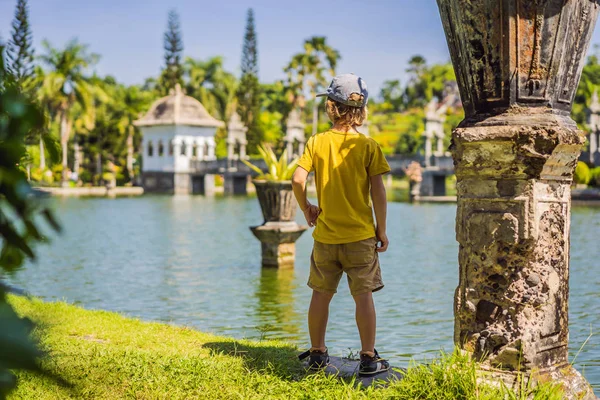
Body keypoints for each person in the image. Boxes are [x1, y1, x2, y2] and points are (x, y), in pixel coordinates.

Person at [292, 74, 391, 376]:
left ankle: (319, 354)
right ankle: (367, 358)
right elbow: (378, 191)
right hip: (361, 237)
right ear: (360, 110)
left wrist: (307, 208)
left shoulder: (317, 142)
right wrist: (381, 230)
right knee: (363, 297)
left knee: (321, 294)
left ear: (331, 108)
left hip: (326, 237)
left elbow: (297, 179)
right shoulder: (368, 145)